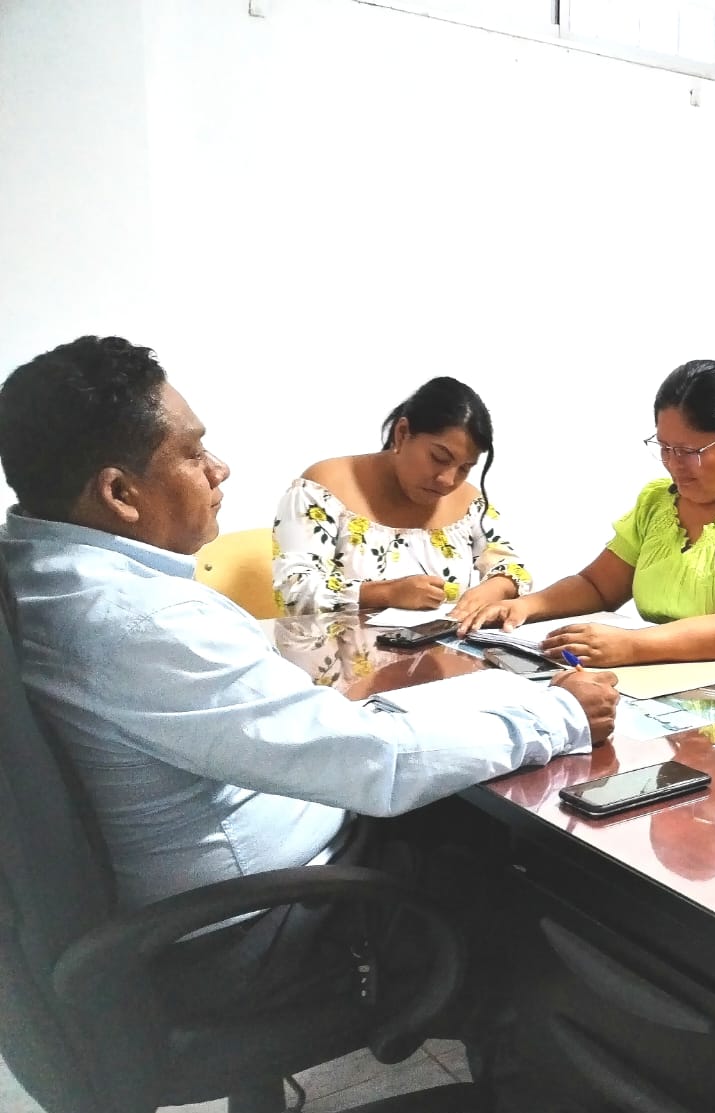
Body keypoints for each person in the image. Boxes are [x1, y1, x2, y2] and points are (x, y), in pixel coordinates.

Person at [0, 335, 618, 1013]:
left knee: (465, 807)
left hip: (238, 866)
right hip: (258, 928)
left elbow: (311, 728)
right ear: (120, 492)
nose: (220, 468)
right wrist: (559, 714)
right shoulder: (143, 620)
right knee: (523, 875)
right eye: (193, 452)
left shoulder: (43, 576)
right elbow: (374, 762)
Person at [459, 359, 715, 674]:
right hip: (675, 689)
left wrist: (632, 645)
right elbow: (598, 586)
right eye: (665, 447)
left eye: (691, 451)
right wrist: (524, 606)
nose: (675, 464)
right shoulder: (658, 503)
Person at [272, 376, 535, 622]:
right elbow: (294, 590)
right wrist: (386, 593)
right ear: (402, 433)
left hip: (442, 652)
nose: (448, 480)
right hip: (338, 652)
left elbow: (513, 568)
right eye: (439, 458)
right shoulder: (325, 487)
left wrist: (496, 587)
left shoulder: (469, 503)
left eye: (465, 468)